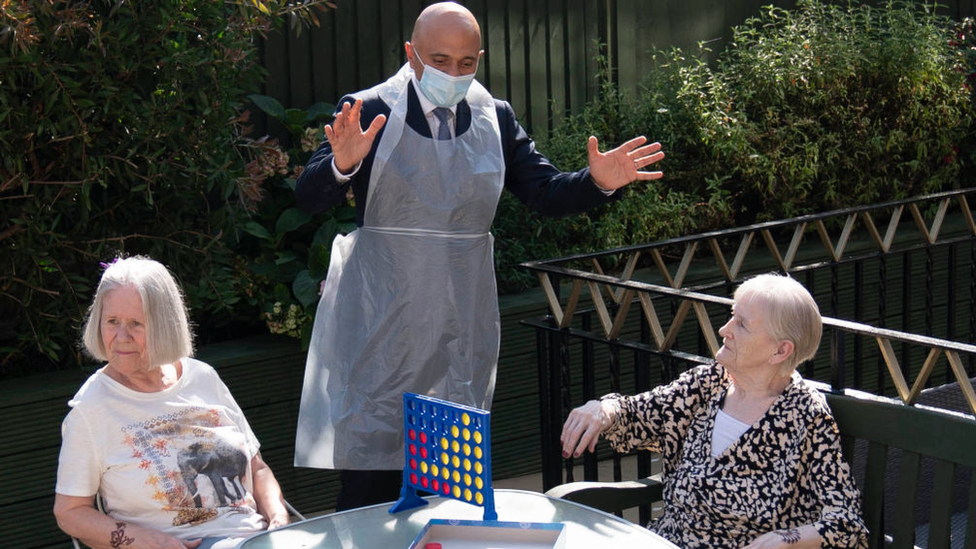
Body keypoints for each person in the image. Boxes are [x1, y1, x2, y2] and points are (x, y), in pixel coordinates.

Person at [292, 1, 665, 510]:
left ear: (480, 59)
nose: (453, 73)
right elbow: (308, 197)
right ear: (411, 53)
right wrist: (339, 164)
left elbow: (545, 192)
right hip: (379, 328)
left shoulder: (494, 116)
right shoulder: (371, 110)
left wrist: (598, 182)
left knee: (449, 490)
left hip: (457, 329)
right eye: (439, 60)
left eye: (466, 63)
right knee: (372, 488)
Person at [561, 273, 869, 549]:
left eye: (742, 325)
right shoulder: (707, 384)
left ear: (780, 350)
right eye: (732, 316)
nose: (724, 329)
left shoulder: (805, 413)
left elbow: (847, 524)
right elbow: (636, 414)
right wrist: (602, 409)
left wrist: (787, 540)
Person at [54, 257, 289, 549]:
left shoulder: (203, 378)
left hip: (253, 539)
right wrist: (149, 541)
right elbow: (70, 513)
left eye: (136, 324)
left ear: (165, 325)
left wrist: (278, 516)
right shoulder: (91, 410)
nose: (121, 337)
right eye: (112, 321)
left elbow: (257, 469)